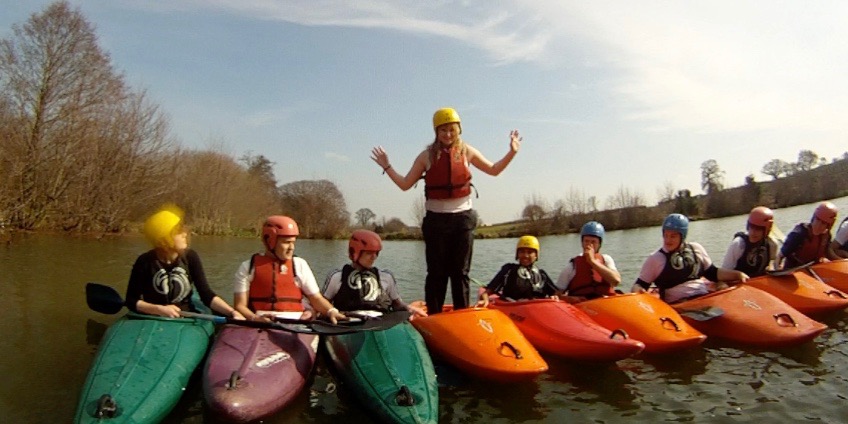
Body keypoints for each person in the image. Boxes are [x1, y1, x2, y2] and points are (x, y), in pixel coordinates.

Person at [370, 107, 521, 314]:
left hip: (463, 220)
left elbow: (494, 170)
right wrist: (387, 166)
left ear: (459, 130)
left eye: (452, 130)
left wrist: (512, 152)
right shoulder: (426, 156)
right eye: (443, 130)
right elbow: (405, 184)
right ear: (436, 132)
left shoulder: (467, 151)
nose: (448, 134)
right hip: (436, 222)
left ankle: (461, 315)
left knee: (460, 273)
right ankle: (434, 316)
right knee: (436, 273)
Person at [125, 206, 244, 319]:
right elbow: (131, 300)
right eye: (178, 232)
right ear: (164, 238)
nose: (185, 234)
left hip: (184, 315)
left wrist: (232, 312)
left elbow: (206, 295)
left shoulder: (190, 257)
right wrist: (159, 309)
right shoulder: (144, 261)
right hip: (152, 317)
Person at [233, 216, 346, 324]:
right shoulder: (248, 267)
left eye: (293, 242)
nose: (292, 247)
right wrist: (255, 318)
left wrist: (331, 311)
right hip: (259, 324)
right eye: (286, 242)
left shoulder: (300, 265)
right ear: (270, 241)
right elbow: (240, 306)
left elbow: (316, 298)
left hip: (297, 324)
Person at [631, 213, 749, 304]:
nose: (668, 240)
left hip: (703, 297)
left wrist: (738, 274)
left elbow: (713, 273)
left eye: (673, 236)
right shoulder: (656, 258)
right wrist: (639, 291)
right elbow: (639, 284)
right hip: (679, 305)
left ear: (682, 236)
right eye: (665, 235)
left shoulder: (695, 248)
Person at [322, 229, 427, 318]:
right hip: (348, 323)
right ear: (354, 253)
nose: (374, 257)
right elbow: (321, 304)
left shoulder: (386, 277)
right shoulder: (336, 277)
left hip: (380, 322)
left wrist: (409, 308)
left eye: (376, 253)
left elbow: (397, 305)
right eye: (369, 253)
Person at [477, 235, 557, 307]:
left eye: (530, 252)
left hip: (537, 310)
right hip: (513, 308)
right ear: (517, 254)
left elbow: (556, 294)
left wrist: (555, 297)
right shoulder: (508, 270)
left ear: (536, 255)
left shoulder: (542, 274)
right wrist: (485, 299)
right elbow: (486, 293)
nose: (525, 255)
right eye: (522, 252)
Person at [556, 221, 621, 303]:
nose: (589, 245)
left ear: (599, 244)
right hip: (583, 306)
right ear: (582, 243)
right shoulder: (572, 266)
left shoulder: (606, 260)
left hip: (606, 304)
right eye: (586, 241)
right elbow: (556, 295)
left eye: (593, 242)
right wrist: (569, 299)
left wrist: (592, 262)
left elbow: (616, 280)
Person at [777, 201, 841, 269]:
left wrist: (842, 261)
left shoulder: (827, 236)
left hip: (813, 268)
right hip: (794, 270)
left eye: (823, 223)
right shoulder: (798, 234)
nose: (818, 225)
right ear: (813, 218)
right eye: (817, 219)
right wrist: (777, 268)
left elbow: (828, 253)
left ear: (829, 226)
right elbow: (779, 256)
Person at [720, 206, 780, 277]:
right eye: (751, 227)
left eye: (758, 229)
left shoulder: (772, 244)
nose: (753, 232)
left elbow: (772, 265)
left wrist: (772, 267)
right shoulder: (738, 244)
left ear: (767, 230)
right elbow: (723, 273)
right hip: (739, 282)